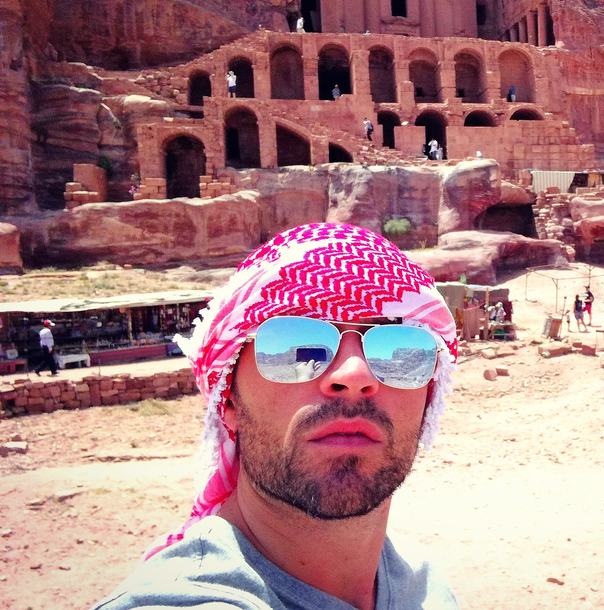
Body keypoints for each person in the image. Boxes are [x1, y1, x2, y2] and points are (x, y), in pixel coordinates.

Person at [92, 223, 460, 610]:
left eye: (401, 347)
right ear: (229, 401)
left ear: (427, 397)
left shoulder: (427, 588)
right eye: (297, 347)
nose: (354, 376)